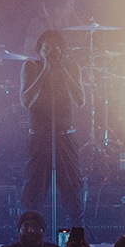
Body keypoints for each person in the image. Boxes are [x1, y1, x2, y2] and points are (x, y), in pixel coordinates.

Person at [22, 29, 85, 229]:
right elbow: (26, 101)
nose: (50, 52)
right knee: (34, 190)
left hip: (65, 137)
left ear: (62, 50)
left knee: (73, 190)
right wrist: (45, 72)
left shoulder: (71, 68)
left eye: (55, 48)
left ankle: (74, 240)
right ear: (39, 50)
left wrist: (63, 72)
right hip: (40, 137)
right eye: (46, 48)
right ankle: (31, 234)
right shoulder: (31, 66)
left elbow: (81, 100)